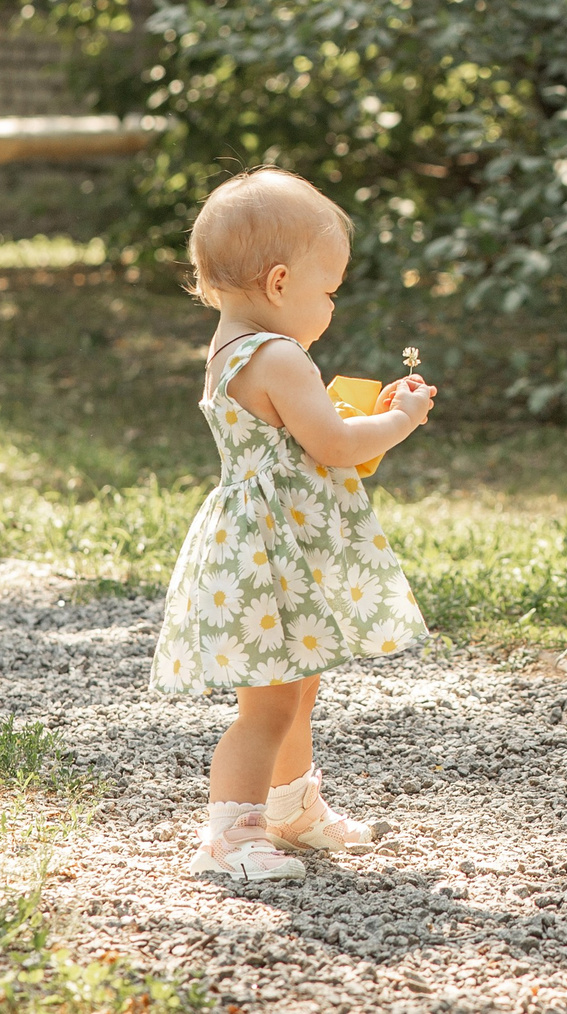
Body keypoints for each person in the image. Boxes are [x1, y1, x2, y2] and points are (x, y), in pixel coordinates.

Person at [153, 166, 438, 880]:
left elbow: (292, 437)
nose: (331, 305)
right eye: (329, 290)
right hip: (272, 556)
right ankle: (230, 833)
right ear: (280, 283)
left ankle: (291, 809)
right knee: (268, 708)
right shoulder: (279, 357)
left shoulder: (232, 347)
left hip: (264, 548)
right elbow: (335, 447)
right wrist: (398, 419)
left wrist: (348, 413)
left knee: (294, 687)